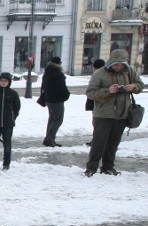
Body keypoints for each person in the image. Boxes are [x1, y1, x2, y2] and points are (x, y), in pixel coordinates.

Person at [84, 49, 145, 177]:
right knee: (98, 143)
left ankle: (108, 167)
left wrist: (134, 87)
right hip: (103, 114)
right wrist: (108, 91)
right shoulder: (100, 73)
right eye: (117, 64)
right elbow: (90, 93)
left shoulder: (129, 72)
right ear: (111, 62)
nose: (119, 67)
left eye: (122, 65)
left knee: (113, 143)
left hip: (122, 114)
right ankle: (91, 167)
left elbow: (140, 85)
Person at [0, 72, 21, 170]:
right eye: (1, 80)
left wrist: (12, 118)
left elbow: (17, 108)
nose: (3, 82)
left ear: (9, 82)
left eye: (5, 81)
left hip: (8, 124)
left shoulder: (13, 94)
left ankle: (6, 163)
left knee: (7, 144)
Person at [41, 56, 70, 147]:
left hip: (49, 99)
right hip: (57, 100)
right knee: (58, 119)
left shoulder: (47, 72)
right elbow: (62, 88)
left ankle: (49, 138)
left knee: (52, 118)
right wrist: (66, 95)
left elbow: (43, 86)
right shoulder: (58, 74)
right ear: (59, 64)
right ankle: (49, 139)